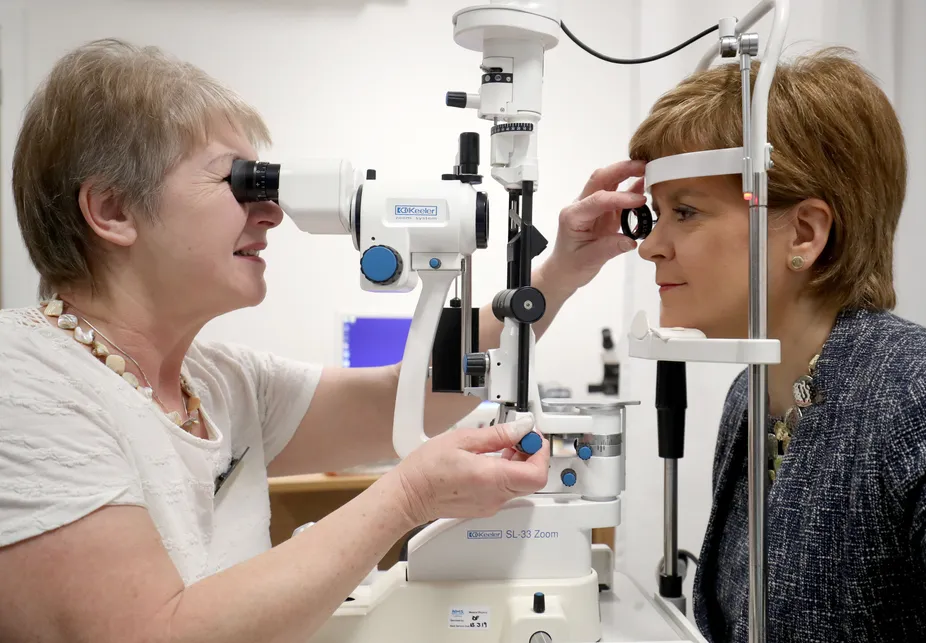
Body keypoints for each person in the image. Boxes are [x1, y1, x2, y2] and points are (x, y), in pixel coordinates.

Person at [0, 39, 647, 642]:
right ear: (112, 209)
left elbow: (397, 400)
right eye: (241, 181)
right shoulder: (26, 381)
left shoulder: (219, 382)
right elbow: (152, 631)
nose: (272, 210)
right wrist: (407, 496)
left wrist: (561, 271)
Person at [628, 47, 926, 642]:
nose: (650, 247)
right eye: (654, 214)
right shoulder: (750, 393)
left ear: (806, 233)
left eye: (685, 211)